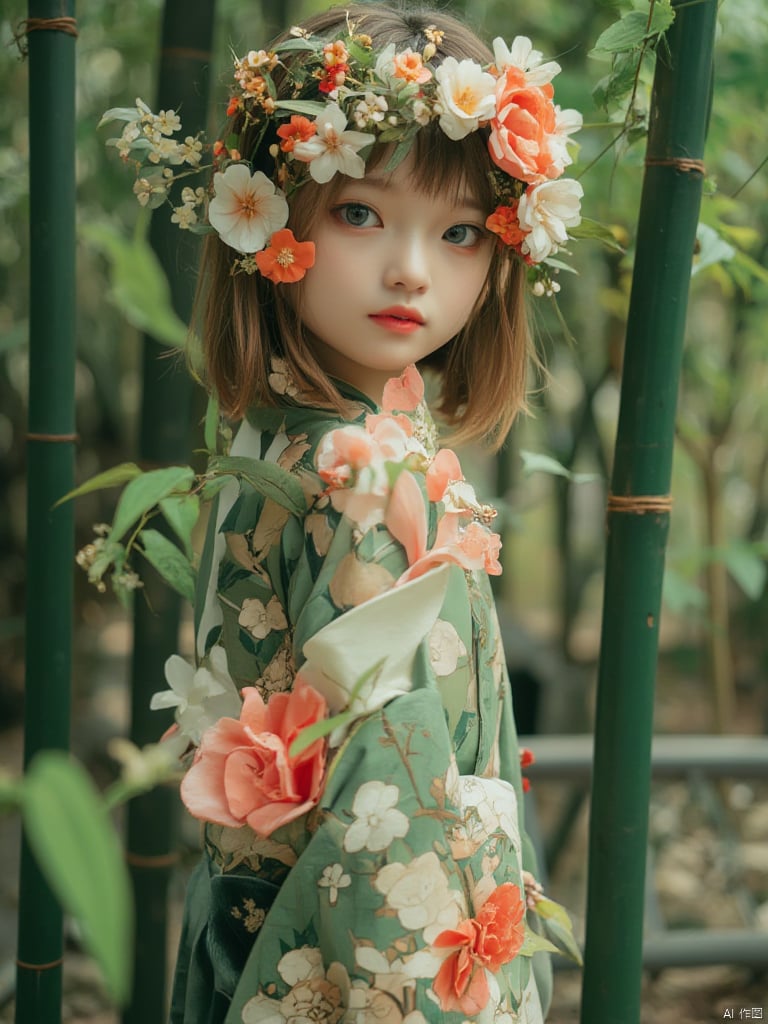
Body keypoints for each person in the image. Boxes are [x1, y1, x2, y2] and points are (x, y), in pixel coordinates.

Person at [121, 4, 584, 1021]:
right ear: (268, 216)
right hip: (366, 952)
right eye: (361, 215)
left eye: (461, 231)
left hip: (260, 926)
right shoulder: (354, 471)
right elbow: (389, 797)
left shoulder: (286, 435)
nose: (412, 269)